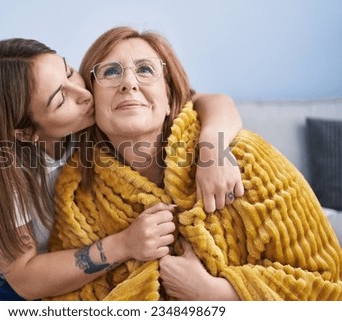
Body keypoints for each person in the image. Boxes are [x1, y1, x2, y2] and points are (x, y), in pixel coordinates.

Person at [48, 26, 342, 300]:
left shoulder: (244, 159)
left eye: (145, 70)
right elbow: (65, 299)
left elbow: (325, 283)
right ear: (91, 101)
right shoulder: (78, 192)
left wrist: (215, 293)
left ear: (169, 98)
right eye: (111, 72)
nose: (128, 83)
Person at [0, 37, 243, 300]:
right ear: (26, 134)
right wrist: (126, 244)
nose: (83, 94)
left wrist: (213, 148)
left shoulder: (93, 109)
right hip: (2, 291)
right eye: (60, 99)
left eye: (68, 71)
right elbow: (26, 279)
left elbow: (209, 101)